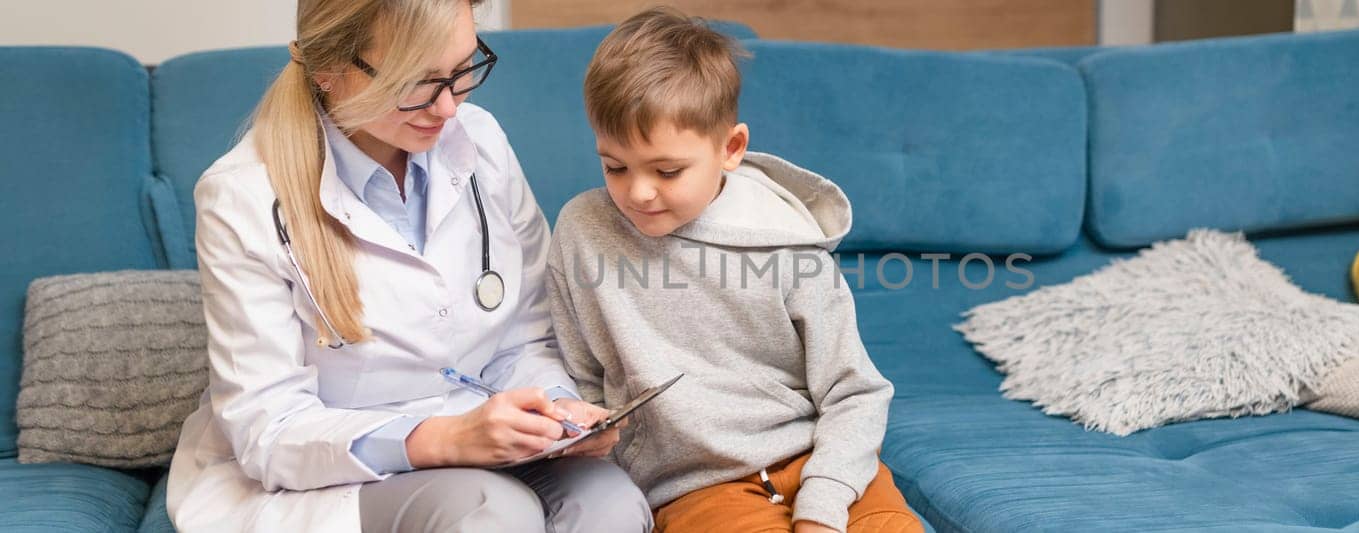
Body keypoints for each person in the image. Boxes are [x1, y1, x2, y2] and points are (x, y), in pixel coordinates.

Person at [165, 1, 650, 531]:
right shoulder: (241, 197)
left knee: (611, 507)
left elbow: (528, 336)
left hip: (490, 440)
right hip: (335, 470)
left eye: (463, 69)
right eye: (417, 82)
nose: (447, 108)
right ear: (329, 70)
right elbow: (270, 428)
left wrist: (558, 411)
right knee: (493, 514)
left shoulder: (481, 140)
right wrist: (443, 439)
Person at [547, 7, 923, 533]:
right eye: (614, 166)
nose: (637, 191)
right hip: (700, 491)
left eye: (667, 170)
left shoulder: (787, 241)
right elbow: (580, 380)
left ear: (731, 149)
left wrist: (823, 506)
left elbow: (855, 392)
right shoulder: (581, 232)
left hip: (827, 467)